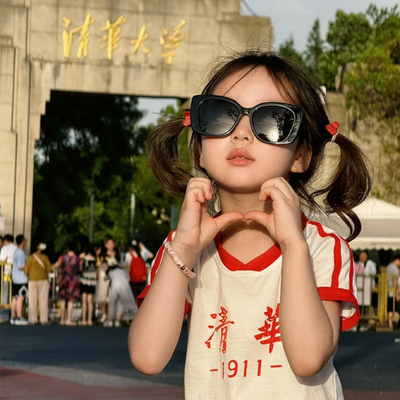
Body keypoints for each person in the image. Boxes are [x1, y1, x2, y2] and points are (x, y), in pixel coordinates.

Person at [128, 51, 372, 399]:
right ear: (199, 149)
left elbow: (308, 359)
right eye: (220, 115)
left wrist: (293, 247)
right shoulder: (183, 247)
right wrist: (182, 251)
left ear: (301, 155)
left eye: (272, 119)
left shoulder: (320, 246)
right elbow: (147, 357)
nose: (241, 133)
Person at [103, 240, 137, 327]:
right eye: (109, 243)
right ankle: (111, 318)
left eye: (112, 243)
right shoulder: (104, 255)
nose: (111, 245)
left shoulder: (119, 254)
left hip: (120, 276)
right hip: (111, 277)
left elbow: (123, 265)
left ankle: (117, 319)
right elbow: (103, 267)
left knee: (120, 298)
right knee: (112, 298)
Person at [25, 243, 52, 325]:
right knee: (43, 300)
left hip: (32, 280)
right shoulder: (45, 257)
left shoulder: (30, 258)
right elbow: (49, 269)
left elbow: (26, 270)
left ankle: (33, 319)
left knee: (32, 300)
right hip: (43, 279)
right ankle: (44, 319)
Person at [53, 245, 80, 326]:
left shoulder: (63, 257)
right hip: (73, 280)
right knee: (71, 300)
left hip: (64, 279)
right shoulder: (77, 259)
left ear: (68, 249)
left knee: (63, 299)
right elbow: (80, 269)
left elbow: (56, 265)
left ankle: (62, 319)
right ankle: (68, 319)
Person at [10, 235, 29, 325]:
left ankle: (13, 317)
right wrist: (29, 267)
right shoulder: (21, 252)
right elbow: (20, 266)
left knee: (15, 297)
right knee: (21, 297)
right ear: (23, 241)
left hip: (15, 278)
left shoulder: (16, 251)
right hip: (21, 278)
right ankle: (19, 316)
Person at [79, 246, 97, 326]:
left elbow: (81, 269)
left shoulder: (84, 259)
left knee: (84, 301)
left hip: (84, 279)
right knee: (90, 301)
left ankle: (84, 320)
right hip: (92, 280)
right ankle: (89, 320)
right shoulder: (94, 259)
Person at [386, 253, 400, 329]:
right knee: (391, 308)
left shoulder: (388, 266)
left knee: (389, 308)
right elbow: (395, 281)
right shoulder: (395, 269)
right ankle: (390, 323)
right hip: (392, 290)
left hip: (387, 289)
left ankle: (389, 322)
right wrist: (396, 293)